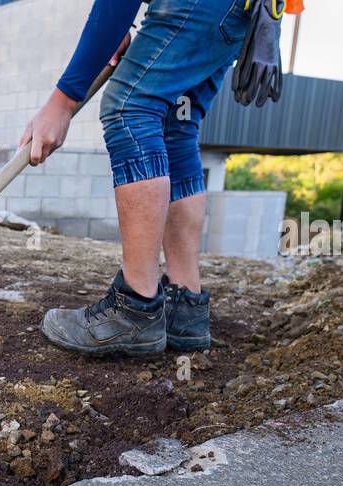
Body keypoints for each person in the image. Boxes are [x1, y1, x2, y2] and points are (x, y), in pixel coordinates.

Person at [23, 0, 294, 356]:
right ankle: (185, 306)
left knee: (129, 107)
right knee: (177, 125)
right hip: (240, 11)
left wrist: (63, 102)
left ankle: (136, 308)